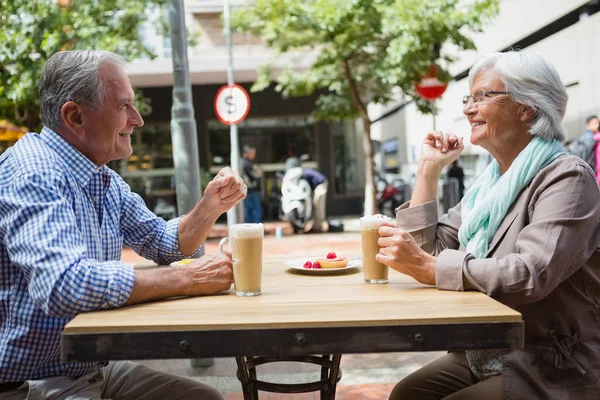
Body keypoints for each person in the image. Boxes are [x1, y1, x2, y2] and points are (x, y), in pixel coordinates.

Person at [0, 50, 247, 399]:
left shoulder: (102, 178)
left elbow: (164, 242)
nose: (138, 119)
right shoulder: (33, 172)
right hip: (30, 384)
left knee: (205, 398)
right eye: (124, 106)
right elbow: (62, 285)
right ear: (75, 116)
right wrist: (188, 278)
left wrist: (210, 206)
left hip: (89, 367)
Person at [377, 51, 600, 399]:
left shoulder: (567, 177)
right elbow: (431, 251)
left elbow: (530, 273)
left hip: (550, 360)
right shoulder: (492, 182)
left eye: (482, 96)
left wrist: (429, 268)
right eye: (468, 98)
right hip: (488, 348)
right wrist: (428, 170)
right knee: (408, 393)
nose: (468, 108)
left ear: (527, 107)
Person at [240, 144, 263, 223]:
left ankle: (250, 229)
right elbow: (253, 175)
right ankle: (256, 228)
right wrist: (259, 173)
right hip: (251, 190)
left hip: (247, 190)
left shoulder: (244, 162)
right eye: (252, 153)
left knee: (248, 210)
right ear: (247, 153)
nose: (253, 155)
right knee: (255, 210)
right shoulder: (246, 163)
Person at [301, 168, 329, 232]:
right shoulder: (305, 173)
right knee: (314, 204)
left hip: (321, 184)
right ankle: (316, 226)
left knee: (317, 204)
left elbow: (307, 188)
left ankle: (318, 227)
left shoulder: (305, 175)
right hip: (318, 185)